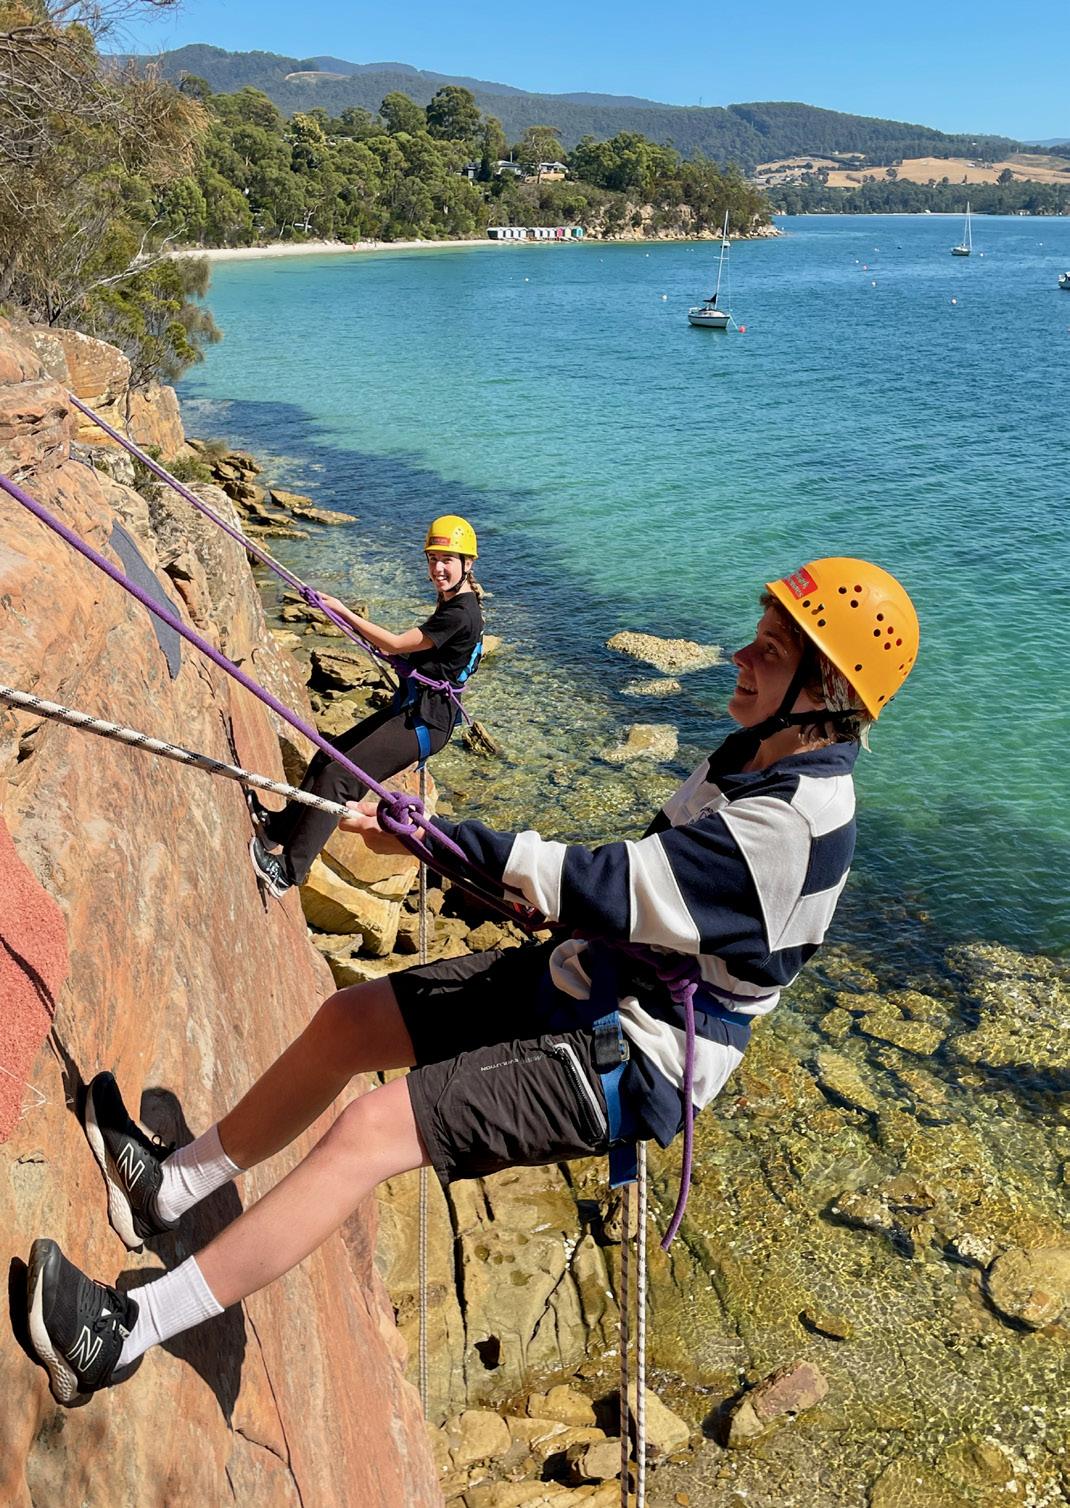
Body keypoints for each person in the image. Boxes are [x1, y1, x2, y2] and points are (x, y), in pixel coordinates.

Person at [25, 557, 919, 1406]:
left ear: (827, 693)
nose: (740, 655)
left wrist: (445, 842)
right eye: (758, 636)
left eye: (771, 649)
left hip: (639, 1055)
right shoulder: (753, 754)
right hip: (597, 978)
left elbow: (611, 884)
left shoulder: (794, 825)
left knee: (372, 1130)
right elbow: (635, 898)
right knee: (349, 1023)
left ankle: (125, 1332)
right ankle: (171, 1188)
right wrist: (461, 859)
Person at [248, 514, 483, 900]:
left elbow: (395, 643)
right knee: (328, 757)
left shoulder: (461, 611)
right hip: (415, 709)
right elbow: (427, 654)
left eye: (447, 560)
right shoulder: (455, 600)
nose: (438, 569)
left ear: (467, 563)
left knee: (339, 779)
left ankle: (288, 872)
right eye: (432, 559)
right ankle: (278, 829)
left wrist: (342, 611)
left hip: (425, 723)